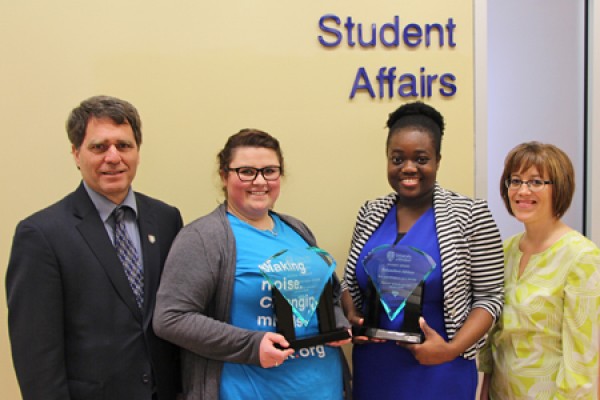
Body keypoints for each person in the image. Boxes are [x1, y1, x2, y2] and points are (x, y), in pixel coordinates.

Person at [6, 95, 183, 400]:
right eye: (99, 147)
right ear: (76, 153)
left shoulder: (166, 219)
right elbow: (36, 354)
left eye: (124, 146)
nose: (113, 157)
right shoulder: (41, 234)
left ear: (138, 151)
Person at [153, 128, 351, 400]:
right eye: (246, 171)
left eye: (270, 171)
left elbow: (327, 296)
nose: (260, 181)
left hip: (323, 387)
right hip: (249, 391)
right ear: (224, 176)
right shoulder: (203, 237)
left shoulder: (297, 230)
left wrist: (337, 324)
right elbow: (170, 318)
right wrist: (251, 345)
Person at [341, 101, 505, 399]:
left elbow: (490, 297)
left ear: (438, 160)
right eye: (397, 158)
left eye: (421, 158)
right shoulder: (370, 212)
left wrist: (450, 349)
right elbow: (350, 284)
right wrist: (351, 314)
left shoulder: (470, 214)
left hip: (440, 366)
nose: (408, 168)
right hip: (375, 367)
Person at [478, 141, 600, 399]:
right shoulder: (505, 250)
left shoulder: (582, 257)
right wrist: (486, 386)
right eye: (515, 181)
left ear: (560, 187)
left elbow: (583, 359)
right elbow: (496, 336)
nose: (523, 190)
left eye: (536, 182)